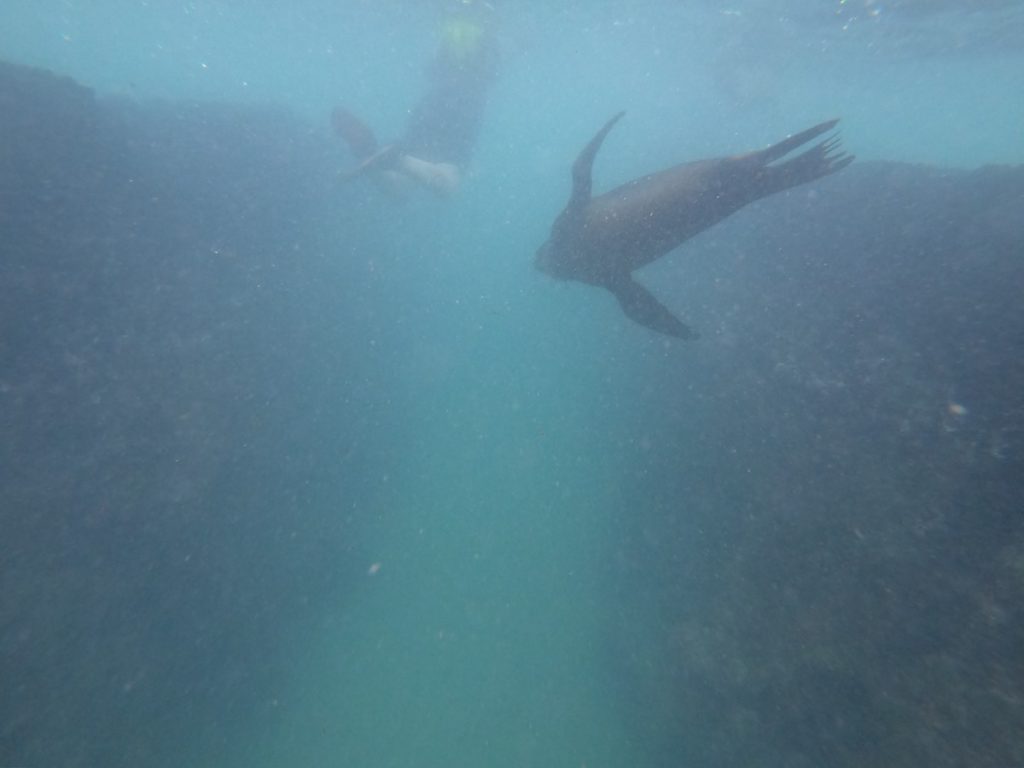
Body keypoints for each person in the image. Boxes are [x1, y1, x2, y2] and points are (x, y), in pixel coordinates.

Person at [333, 3, 498, 198]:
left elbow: (433, 69)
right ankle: (397, 160)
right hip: (463, 105)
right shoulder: (483, 31)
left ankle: (374, 155)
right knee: (449, 182)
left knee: (400, 188)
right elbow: (485, 71)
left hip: (432, 101)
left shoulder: (454, 30)